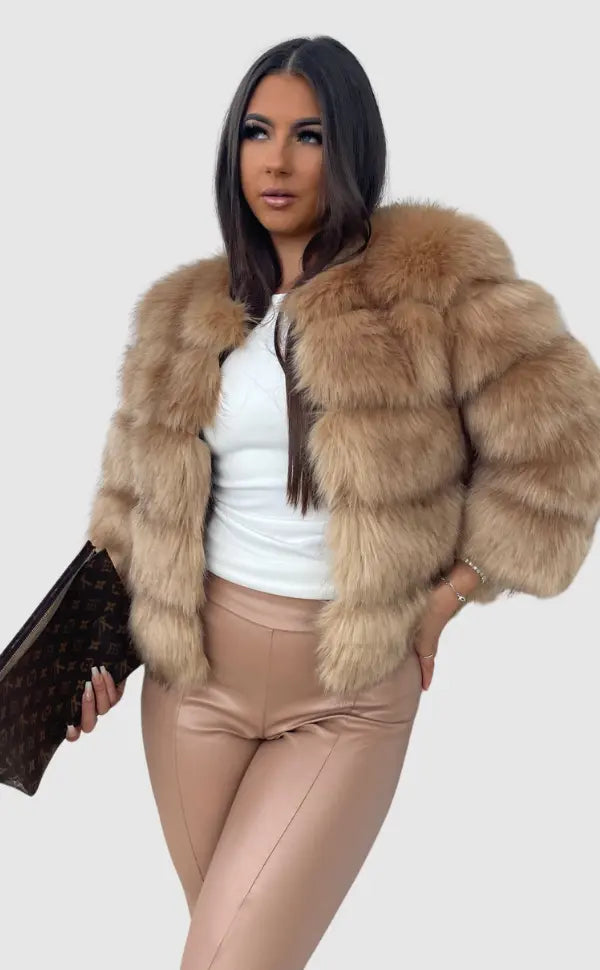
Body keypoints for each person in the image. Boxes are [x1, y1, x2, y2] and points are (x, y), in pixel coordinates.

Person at [68, 34, 600, 970]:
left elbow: (566, 446)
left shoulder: (435, 281)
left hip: (347, 695)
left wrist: (453, 592)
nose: (276, 161)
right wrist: (89, 653)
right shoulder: (183, 313)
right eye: (257, 132)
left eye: (307, 135)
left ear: (350, 146)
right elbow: (128, 511)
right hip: (192, 686)